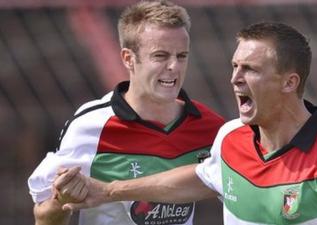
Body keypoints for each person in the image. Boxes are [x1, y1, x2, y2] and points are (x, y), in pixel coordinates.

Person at [57, 22, 317, 225]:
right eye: (235, 67)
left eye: (250, 69)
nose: (235, 78)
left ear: (289, 82)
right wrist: (107, 191)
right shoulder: (231, 137)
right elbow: (203, 178)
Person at [27, 1, 224, 225]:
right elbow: (44, 217)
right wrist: (61, 200)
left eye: (181, 56)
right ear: (129, 59)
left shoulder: (211, 127)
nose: (174, 67)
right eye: (160, 56)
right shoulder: (91, 127)